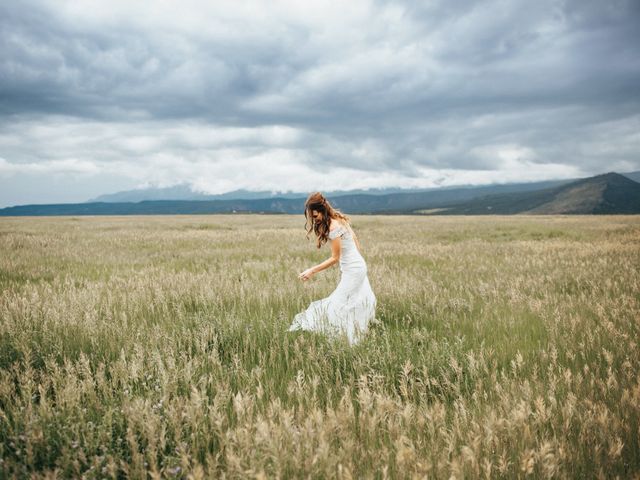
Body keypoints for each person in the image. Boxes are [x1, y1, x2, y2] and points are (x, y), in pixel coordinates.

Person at [288, 192, 376, 345]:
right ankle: (350, 336)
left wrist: (311, 271)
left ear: (322, 210)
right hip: (356, 267)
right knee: (350, 302)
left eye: (315, 216)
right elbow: (355, 241)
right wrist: (352, 263)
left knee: (338, 303)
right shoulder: (338, 219)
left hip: (354, 270)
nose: (314, 220)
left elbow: (335, 258)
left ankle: (345, 341)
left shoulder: (334, 226)